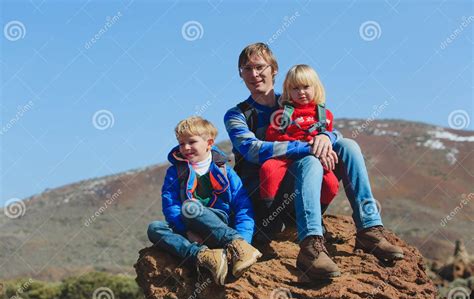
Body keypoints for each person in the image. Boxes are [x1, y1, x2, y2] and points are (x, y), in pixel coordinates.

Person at [224, 42, 404, 281]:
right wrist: (307, 147)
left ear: (274, 69)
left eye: (259, 67)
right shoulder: (238, 114)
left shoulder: (294, 98)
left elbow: (329, 129)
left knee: (348, 146)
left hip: (304, 189)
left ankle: (369, 229)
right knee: (309, 161)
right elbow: (252, 150)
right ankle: (310, 247)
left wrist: (325, 137)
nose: (254, 74)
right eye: (246, 69)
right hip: (266, 197)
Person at [147, 116, 262, 285]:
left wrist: (243, 239)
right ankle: (205, 256)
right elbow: (170, 204)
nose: (185, 148)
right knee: (154, 228)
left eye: (192, 142)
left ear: (209, 143)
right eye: (181, 143)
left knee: (190, 207)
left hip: (218, 226)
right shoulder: (175, 172)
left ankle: (239, 247)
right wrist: (185, 232)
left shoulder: (225, 171)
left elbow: (242, 207)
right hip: (190, 231)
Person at [260, 64, 339, 211]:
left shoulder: (324, 114)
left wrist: (326, 149)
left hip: (317, 158)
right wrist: (299, 145)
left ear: (316, 87)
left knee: (331, 184)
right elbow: (272, 137)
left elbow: (329, 136)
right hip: (288, 157)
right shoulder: (284, 113)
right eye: (295, 88)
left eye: (306, 87)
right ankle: (271, 215)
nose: (301, 92)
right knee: (268, 169)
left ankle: (317, 213)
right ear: (288, 91)